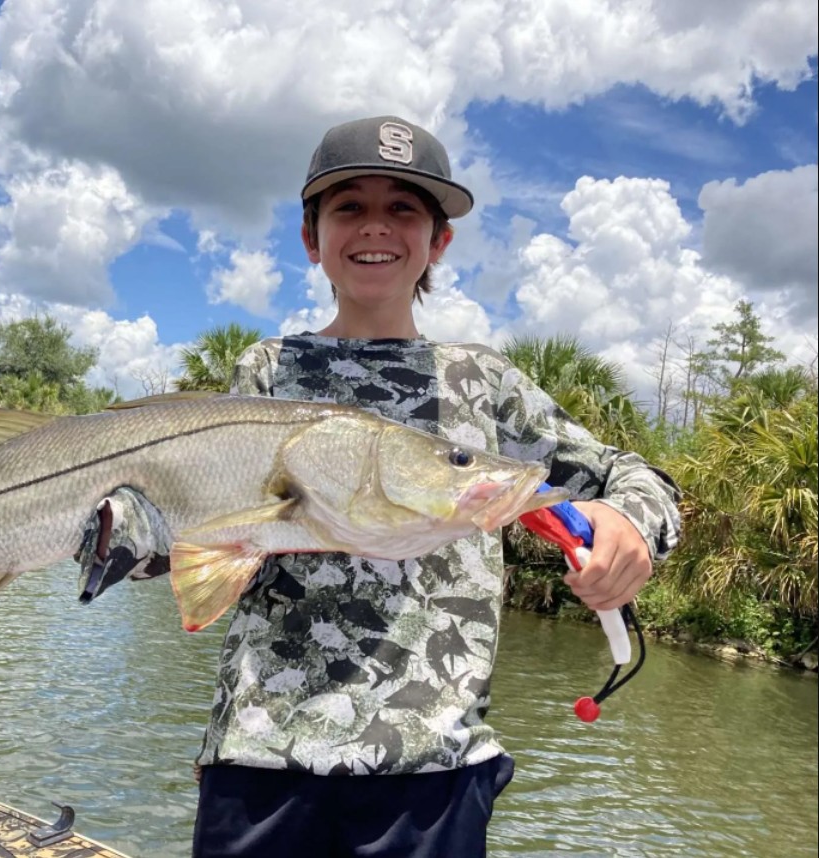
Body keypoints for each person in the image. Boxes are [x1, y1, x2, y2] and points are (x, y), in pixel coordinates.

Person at [76, 115, 681, 856]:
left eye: (403, 208)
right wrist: (113, 536)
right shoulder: (270, 373)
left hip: (434, 769)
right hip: (264, 752)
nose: (376, 228)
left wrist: (630, 526)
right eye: (348, 207)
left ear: (439, 240)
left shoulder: (484, 382)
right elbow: (196, 530)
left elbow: (635, 475)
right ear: (311, 238)